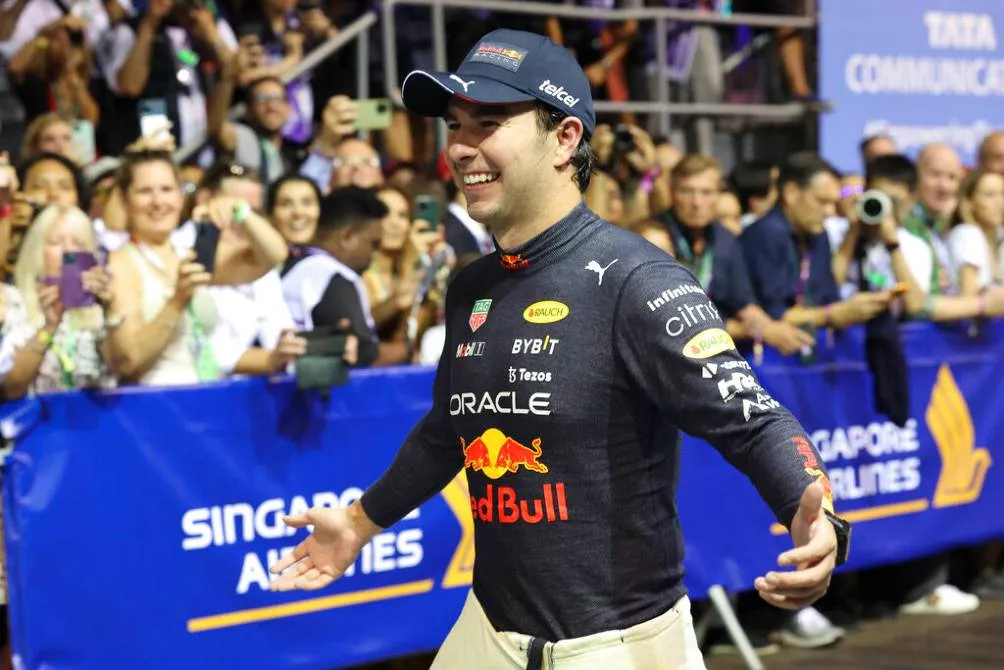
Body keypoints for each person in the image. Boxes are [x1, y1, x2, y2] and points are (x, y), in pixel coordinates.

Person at [269, 29, 850, 670]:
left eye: (488, 123)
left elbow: (753, 419)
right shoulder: (472, 285)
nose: (461, 147)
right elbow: (451, 431)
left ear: (565, 138)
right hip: (487, 631)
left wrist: (815, 508)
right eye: (456, 125)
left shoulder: (639, 279)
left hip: (620, 647)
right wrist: (358, 523)